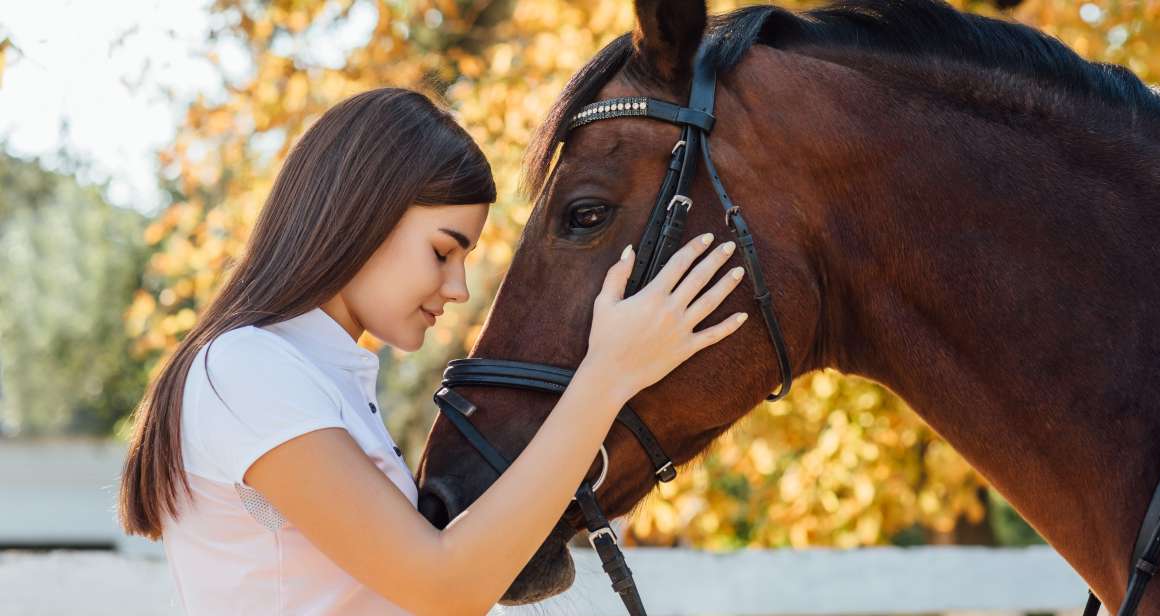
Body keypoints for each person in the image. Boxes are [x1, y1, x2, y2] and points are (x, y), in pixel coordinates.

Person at [118, 87, 749, 615]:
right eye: (443, 251)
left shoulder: (320, 378)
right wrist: (607, 376)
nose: (458, 288)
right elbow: (445, 585)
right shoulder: (248, 369)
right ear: (360, 215)